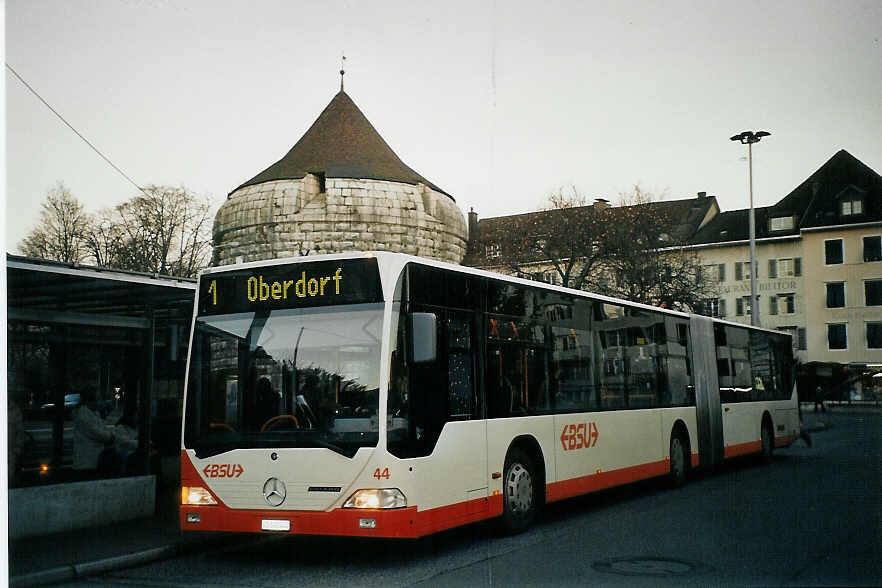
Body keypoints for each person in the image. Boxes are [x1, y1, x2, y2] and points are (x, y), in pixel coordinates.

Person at [73, 387, 115, 475]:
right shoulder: (83, 414)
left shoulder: (93, 412)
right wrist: (111, 437)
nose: (100, 402)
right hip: (86, 462)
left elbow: (103, 429)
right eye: (98, 399)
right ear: (90, 400)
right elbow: (97, 433)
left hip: (93, 460)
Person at [113, 409, 139, 475]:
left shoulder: (136, 428)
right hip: (124, 452)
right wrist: (139, 443)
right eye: (135, 416)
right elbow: (125, 442)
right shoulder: (120, 427)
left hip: (134, 451)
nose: (137, 418)